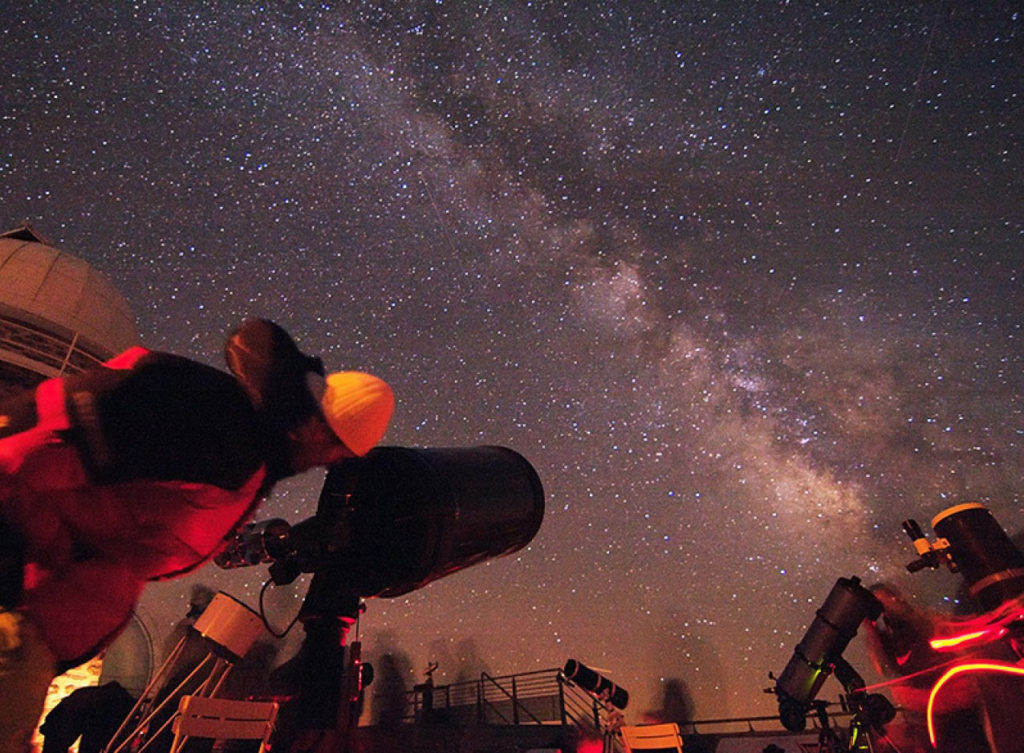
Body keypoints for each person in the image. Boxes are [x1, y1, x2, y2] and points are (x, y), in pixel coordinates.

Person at [0, 319, 394, 753]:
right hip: (19, 612)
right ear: (323, 429)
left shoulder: (248, 458)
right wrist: (25, 574)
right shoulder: (221, 430)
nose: (328, 464)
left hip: (38, 624)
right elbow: (24, 448)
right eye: (338, 452)